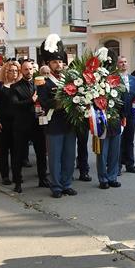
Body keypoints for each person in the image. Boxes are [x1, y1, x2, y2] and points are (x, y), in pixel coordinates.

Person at [37, 34, 78, 198]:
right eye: (55, 62)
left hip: (69, 123)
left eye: (60, 61)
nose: (58, 64)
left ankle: (67, 184)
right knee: (55, 158)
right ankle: (56, 187)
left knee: (69, 156)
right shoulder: (43, 81)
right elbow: (44, 102)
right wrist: (59, 103)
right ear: (49, 64)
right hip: (54, 123)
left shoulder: (70, 80)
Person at [14, 59, 49, 190]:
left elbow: (45, 101)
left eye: (30, 69)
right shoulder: (15, 87)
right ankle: (17, 182)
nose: (29, 71)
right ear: (21, 71)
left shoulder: (39, 85)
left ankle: (43, 179)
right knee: (18, 155)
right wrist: (31, 100)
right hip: (22, 126)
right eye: (26, 69)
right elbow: (15, 105)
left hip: (38, 124)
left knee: (41, 154)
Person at [0, 61, 20, 186]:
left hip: (17, 123)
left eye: (15, 71)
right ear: (5, 72)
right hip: (3, 123)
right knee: (3, 151)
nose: (13, 73)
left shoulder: (20, 86)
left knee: (16, 151)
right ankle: (5, 176)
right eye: (10, 71)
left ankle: (16, 175)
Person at [118, 56, 135, 172]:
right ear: (117, 65)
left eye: (125, 62)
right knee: (119, 140)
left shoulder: (134, 79)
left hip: (131, 114)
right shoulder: (114, 79)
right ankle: (117, 165)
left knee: (129, 139)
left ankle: (130, 164)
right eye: (121, 62)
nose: (123, 64)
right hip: (118, 114)